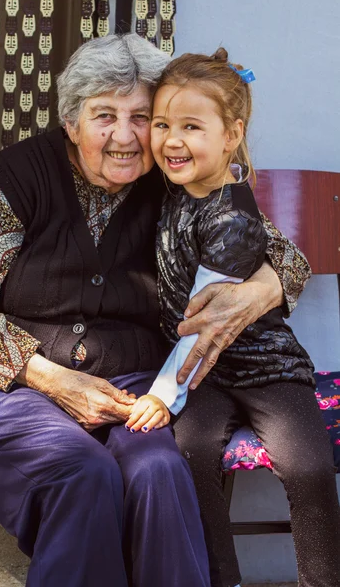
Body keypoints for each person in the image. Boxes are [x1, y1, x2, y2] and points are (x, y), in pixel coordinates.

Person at [0, 35, 311, 587]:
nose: (126, 136)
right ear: (72, 122)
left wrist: (254, 293)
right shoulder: (18, 179)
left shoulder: (175, 177)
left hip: (129, 385)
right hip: (1, 388)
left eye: (143, 117)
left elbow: (289, 261)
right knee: (81, 472)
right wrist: (55, 380)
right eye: (105, 115)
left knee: (157, 472)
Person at [127, 47, 340, 587]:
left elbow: (206, 324)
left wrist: (161, 395)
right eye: (162, 124)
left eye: (191, 126)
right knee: (190, 456)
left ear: (231, 133)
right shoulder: (176, 185)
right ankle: (222, 578)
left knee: (308, 467)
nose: (171, 140)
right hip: (208, 376)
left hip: (263, 366)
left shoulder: (232, 220)